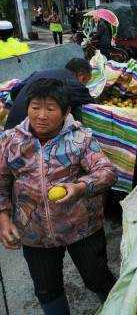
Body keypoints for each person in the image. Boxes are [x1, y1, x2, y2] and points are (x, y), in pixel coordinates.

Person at [0, 78, 117, 314]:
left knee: (98, 278)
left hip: (81, 228)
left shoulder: (81, 139)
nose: (41, 115)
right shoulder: (10, 141)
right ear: (27, 108)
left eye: (50, 108)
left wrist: (80, 187)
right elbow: (1, 182)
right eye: (35, 107)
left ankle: (120, 307)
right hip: (35, 234)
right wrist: (3, 219)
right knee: (46, 289)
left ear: (66, 112)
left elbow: (107, 172)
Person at [5, 58, 95, 130]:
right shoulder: (74, 84)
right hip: (31, 139)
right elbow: (93, 107)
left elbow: (14, 92)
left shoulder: (39, 73)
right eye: (85, 81)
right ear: (81, 75)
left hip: (10, 129)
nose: (83, 85)